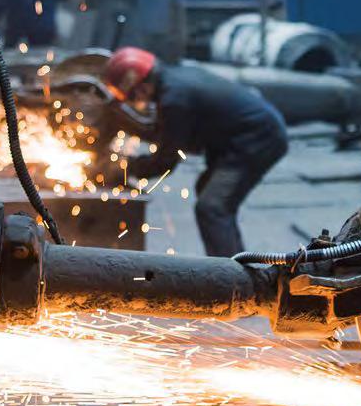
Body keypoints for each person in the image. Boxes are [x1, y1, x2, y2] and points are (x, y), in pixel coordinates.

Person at [103, 47, 288, 257]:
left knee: (212, 208)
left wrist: (124, 168)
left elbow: (165, 161)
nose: (137, 103)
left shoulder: (175, 100)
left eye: (132, 98)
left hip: (257, 140)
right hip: (242, 137)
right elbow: (166, 133)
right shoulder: (174, 80)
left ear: (141, 88)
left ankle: (230, 274)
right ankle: (236, 260)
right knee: (208, 191)